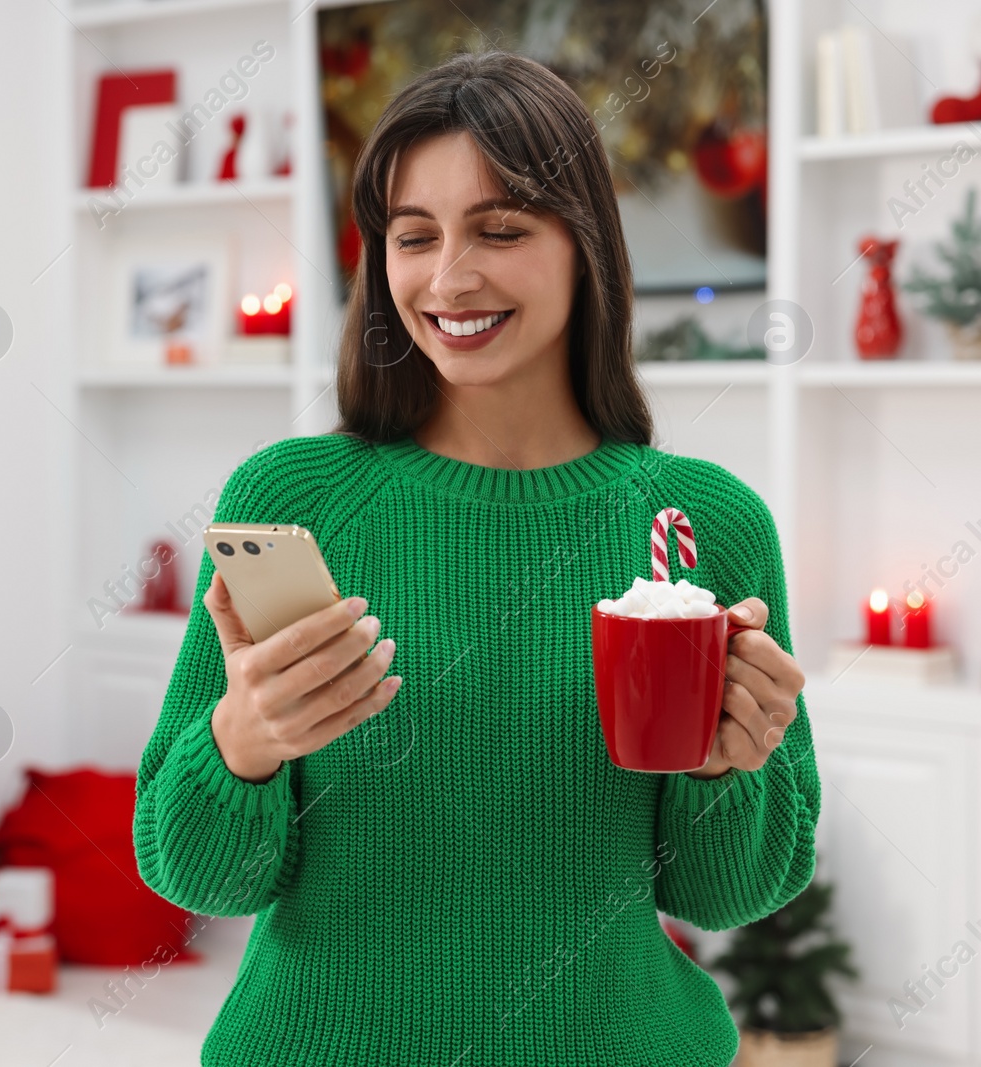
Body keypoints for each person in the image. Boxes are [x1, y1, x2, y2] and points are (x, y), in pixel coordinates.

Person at [132, 49, 815, 1065]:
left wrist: (734, 765)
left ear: (583, 246)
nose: (450, 277)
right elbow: (199, 874)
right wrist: (242, 738)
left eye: (501, 228)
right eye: (414, 236)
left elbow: (725, 892)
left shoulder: (703, 523)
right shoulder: (291, 501)